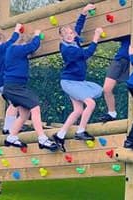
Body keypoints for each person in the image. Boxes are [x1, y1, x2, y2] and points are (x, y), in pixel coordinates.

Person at [2, 29, 59, 151]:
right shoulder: (15, 49)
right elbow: (33, 46)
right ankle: (42, 138)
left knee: (24, 114)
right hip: (14, 87)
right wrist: (37, 35)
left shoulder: (13, 51)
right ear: (22, 43)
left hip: (15, 87)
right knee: (35, 107)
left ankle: (11, 136)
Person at [54, 4, 102, 151]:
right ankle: (80, 131)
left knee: (78, 110)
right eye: (66, 34)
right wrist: (96, 38)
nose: (70, 35)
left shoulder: (74, 42)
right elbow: (86, 54)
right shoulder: (68, 50)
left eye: (71, 33)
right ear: (62, 37)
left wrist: (83, 12)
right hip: (70, 82)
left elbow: (78, 28)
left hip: (77, 82)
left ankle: (60, 135)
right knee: (91, 103)